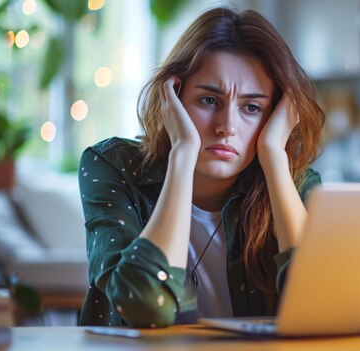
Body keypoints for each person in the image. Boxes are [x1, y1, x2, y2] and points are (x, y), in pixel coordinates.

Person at [78, 7, 324, 327]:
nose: (226, 127)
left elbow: (318, 308)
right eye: (209, 100)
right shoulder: (114, 167)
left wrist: (275, 157)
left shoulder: (295, 184)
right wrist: (183, 152)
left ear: (275, 116)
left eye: (251, 107)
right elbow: (147, 308)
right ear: (174, 99)